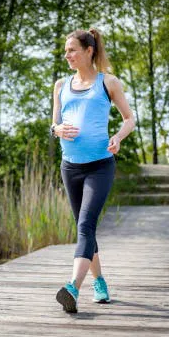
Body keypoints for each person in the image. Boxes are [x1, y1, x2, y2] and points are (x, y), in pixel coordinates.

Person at [50, 28, 135, 313]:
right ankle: (100, 282)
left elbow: (129, 119)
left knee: (86, 224)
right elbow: (54, 125)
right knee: (83, 227)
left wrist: (118, 138)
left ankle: (72, 287)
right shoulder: (61, 84)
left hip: (99, 165)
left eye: (72, 49)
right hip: (69, 166)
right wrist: (57, 129)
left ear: (89, 51)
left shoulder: (108, 82)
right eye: (65, 50)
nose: (67, 55)